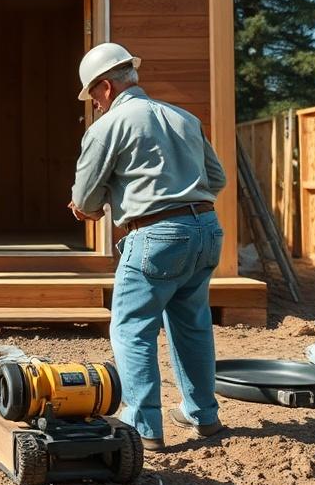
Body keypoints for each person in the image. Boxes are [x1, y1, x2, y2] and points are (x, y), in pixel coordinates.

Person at [69, 42, 227, 451]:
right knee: (192, 324)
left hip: (156, 236)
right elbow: (217, 179)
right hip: (206, 229)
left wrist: (90, 209)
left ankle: (143, 427)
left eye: (93, 95)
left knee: (131, 328)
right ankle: (203, 415)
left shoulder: (107, 127)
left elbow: (85, 197)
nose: (95, 104)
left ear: (106, 87)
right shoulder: (184, 118)